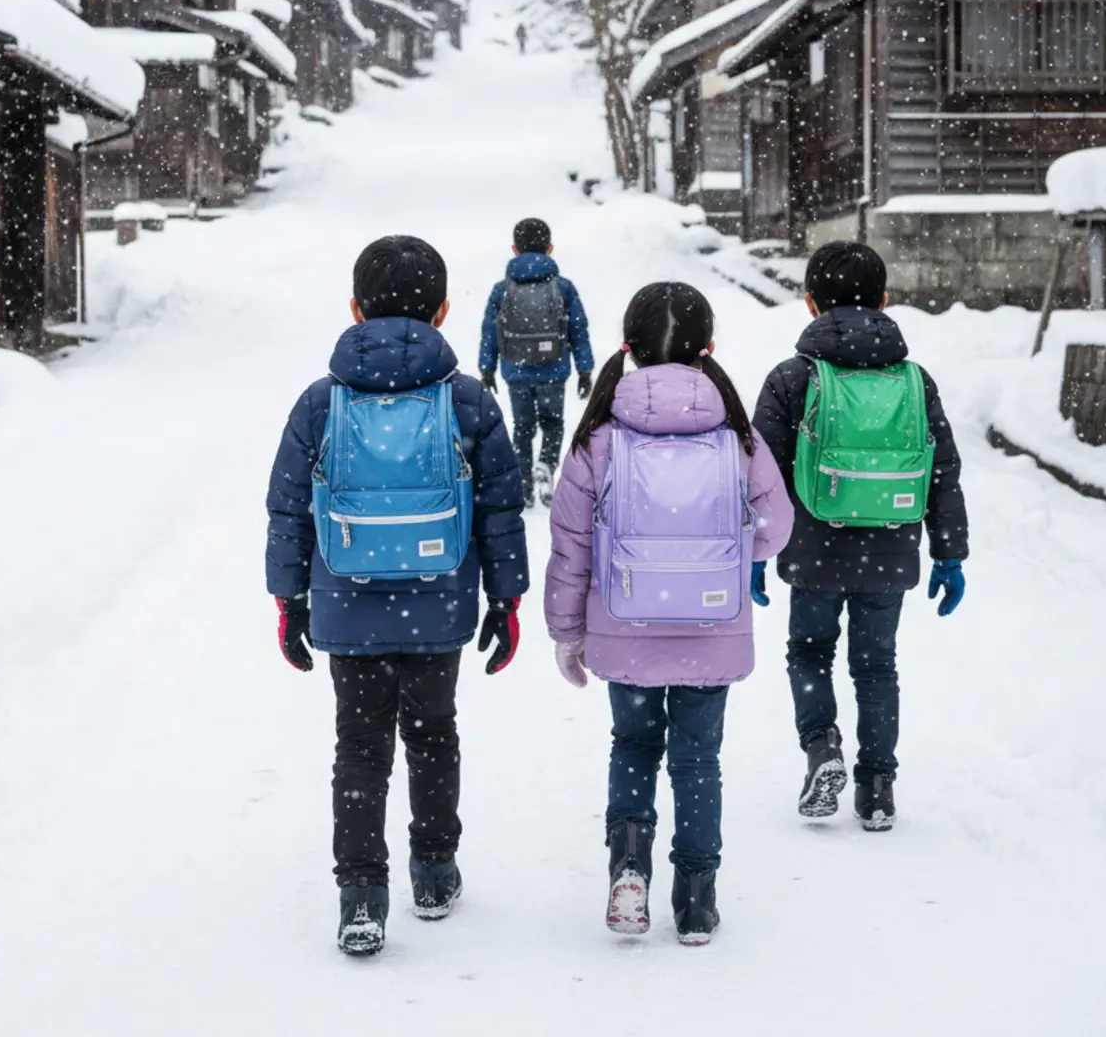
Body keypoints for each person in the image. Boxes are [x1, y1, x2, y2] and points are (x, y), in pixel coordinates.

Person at [265, 235, 529, 957]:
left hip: (347, 601)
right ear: (443, 311)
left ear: (354, 308)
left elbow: (288, 510)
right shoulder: (468, 401)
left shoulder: (321, 402)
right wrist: (505, 601)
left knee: (360, 745)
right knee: (433, 735)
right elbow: (501, 509)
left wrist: (290, 601)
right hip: (438, 602)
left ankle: (360, 892)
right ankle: (435, 870)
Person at [545, 282, 793, 945]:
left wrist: (569, 632)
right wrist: (729, 554)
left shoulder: (598, 440)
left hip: (625, 627)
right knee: (698, 758)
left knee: (632, 744)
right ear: (708, 350)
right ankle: (697, 896)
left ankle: (629, 869)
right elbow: (777, 525)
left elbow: (570, 548)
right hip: (710, 628)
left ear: (627, 349)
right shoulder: (736, 437)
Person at [752, 241, 969, 832]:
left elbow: (758, 473)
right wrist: (949, 553)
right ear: (884, 300)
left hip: (812, 548)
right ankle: (877, 789)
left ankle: (822, 749)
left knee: (809, 653)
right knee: (876, 667)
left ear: (810, 303)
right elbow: (941, 469)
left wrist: (754, 549)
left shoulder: (793, 377)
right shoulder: (914, 380)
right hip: (891, 546)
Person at [479, 218, 594, 509]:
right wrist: (584, 369)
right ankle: (546, 464)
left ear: (514, 249)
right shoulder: (563, 288)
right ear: (550, 249)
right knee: (553, 423)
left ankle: (524, 481)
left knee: (522, 426)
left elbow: (490, 331)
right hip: (553, 369)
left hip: (515, 370)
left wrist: (487, 368)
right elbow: (578, 330)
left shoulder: (502, 289)